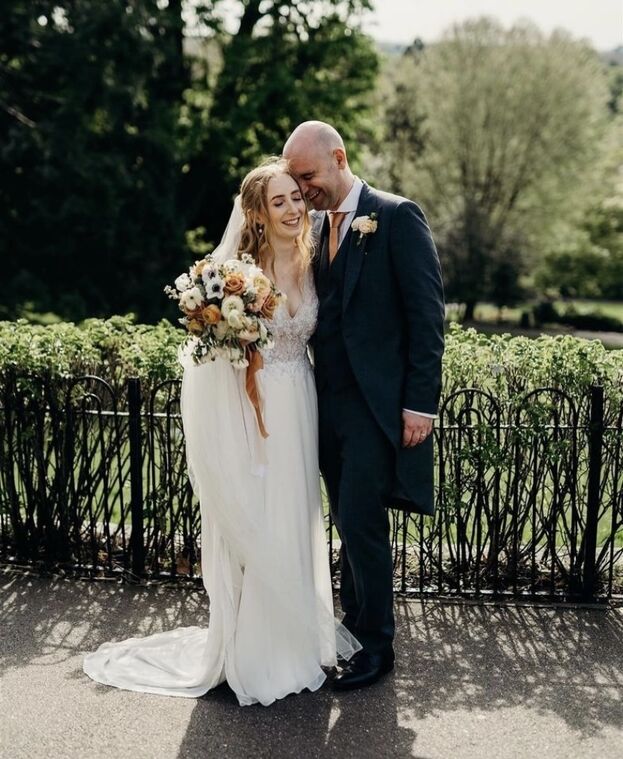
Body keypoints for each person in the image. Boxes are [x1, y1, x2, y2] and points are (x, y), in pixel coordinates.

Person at [82, 157, 361, 707]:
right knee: (260, 515)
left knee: (295, 510)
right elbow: (215, 359)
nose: (293, 208)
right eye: (279, 201)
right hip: (257, 408)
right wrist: (239, 420)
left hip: (301, 400)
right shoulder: (238, 276)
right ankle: (254, 653)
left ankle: (297, 644)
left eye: (296, 197)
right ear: (257, 214)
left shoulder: (315, 259)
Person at [283, 121, 445, 691]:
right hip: (322, 404)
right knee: (346, 526)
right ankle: (353, 637)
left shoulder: (396, 217)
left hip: (376, 410)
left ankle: (376, 647)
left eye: (308, 176)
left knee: (360, 521)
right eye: (295, 180)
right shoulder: (313, 226)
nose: (302, 189)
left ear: (339, 157)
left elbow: (427, 317)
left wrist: (420, 404)